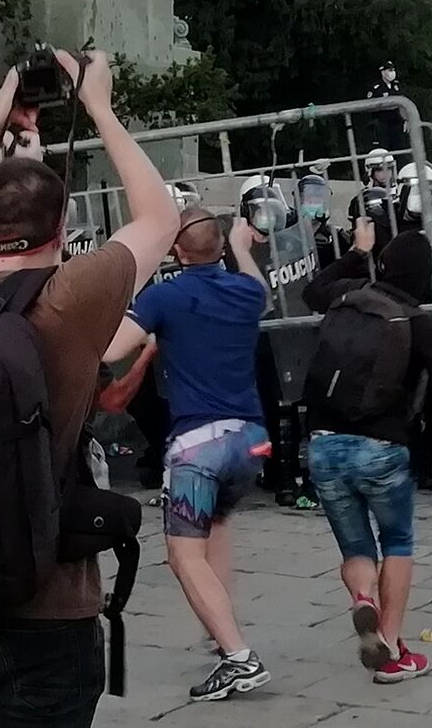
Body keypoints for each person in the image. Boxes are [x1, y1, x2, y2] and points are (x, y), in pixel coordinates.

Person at [0, 51, 177, 728]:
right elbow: (159, 217)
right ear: (62, 227)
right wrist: (98, 104)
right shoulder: (71, 297)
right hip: (49, 611)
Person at [103, 208, 273, 700]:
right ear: (220, 245)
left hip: (197, 445)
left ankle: (240, 658)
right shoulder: (245, 292)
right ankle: (224, 638)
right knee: (215, 528)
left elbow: (113, 349)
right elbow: (259, 291)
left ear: (176, 251)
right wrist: (243, 250)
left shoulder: (165, 296)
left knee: (182, 554)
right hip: (250, 440)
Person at [302, 229, 432, 684]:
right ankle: (393, 650)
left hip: (323, 443)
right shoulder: (420, 323)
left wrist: (355, 256)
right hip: (382, 447)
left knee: (356, 546)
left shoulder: (347, 296)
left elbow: (310, 291)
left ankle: (364, 598)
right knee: (397, 541)